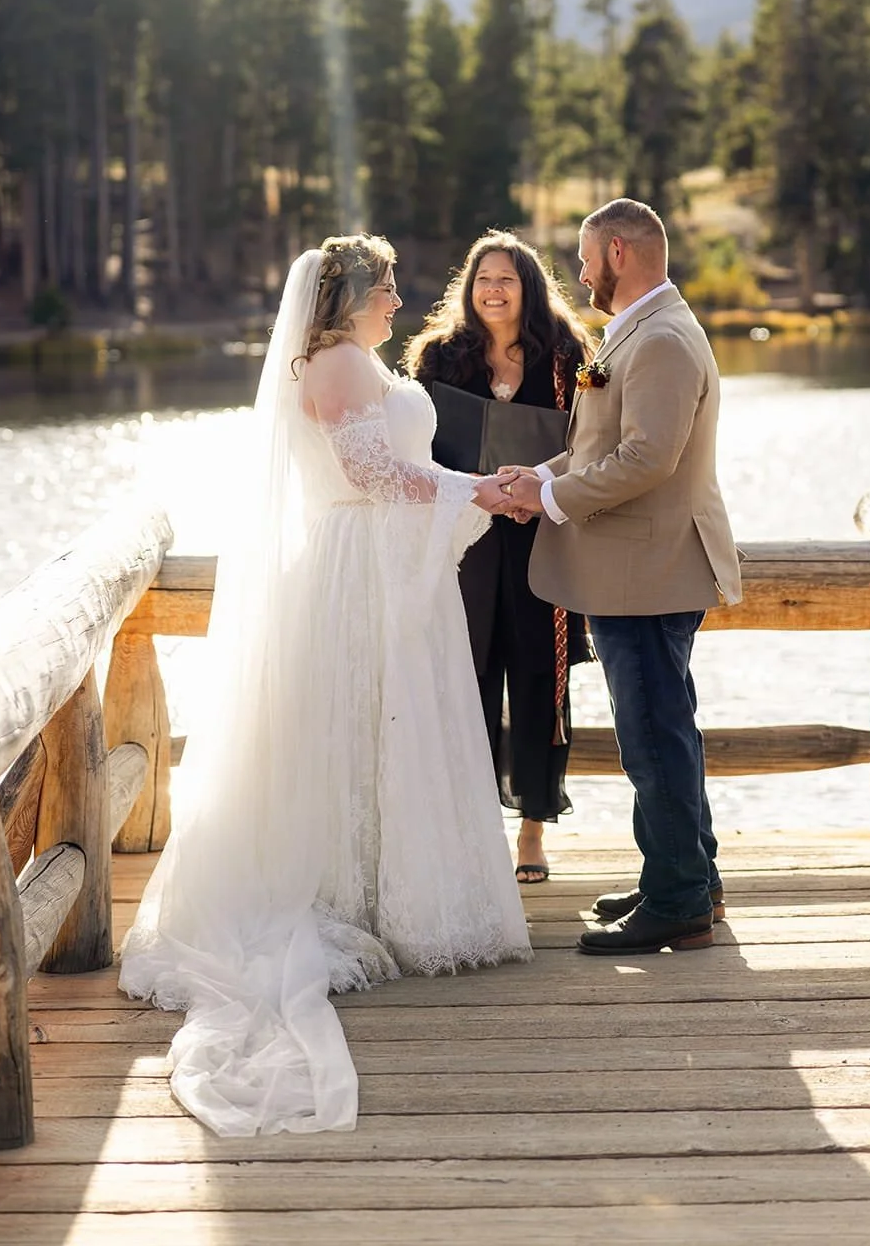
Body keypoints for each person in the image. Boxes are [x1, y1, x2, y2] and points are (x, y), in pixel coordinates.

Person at [120, 234, 531, 1136]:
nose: (397, 299)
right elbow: (368, 473)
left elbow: (388, 469)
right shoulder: (341, 363)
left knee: (391, 723)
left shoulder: (353, 359)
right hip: (358, 567)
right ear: (347, 297)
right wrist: (479, 492)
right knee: (358, 723)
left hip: (386, 563)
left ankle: (393, 891)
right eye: (385, 287)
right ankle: (353, 897)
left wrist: (476, 490)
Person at [503, 198, 742, 954]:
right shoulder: (639, 331)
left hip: (650, 569)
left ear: (615, 251)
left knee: (652, 735)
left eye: (582, 258)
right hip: (640, 567)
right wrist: (533, 476)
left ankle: (678, 901)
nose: (577, 274)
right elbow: (596, 442)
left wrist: (548, 501)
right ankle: (686, 878)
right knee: (666, 728)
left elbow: (646, 459)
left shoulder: (663, 338)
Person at [405, 232, 591, 884]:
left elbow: (593, 443)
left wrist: (531, 494)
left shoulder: (567, 357)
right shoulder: (437, 358)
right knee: (467, 677)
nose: (493, 289)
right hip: (465, 543)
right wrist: (478, 495)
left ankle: (532, 833)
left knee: (543, 679)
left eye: (507, 279)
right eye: (483, 278)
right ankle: (472, 832)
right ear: (467, 285)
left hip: (546, 536)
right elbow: (413, 451)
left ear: (529, 287)